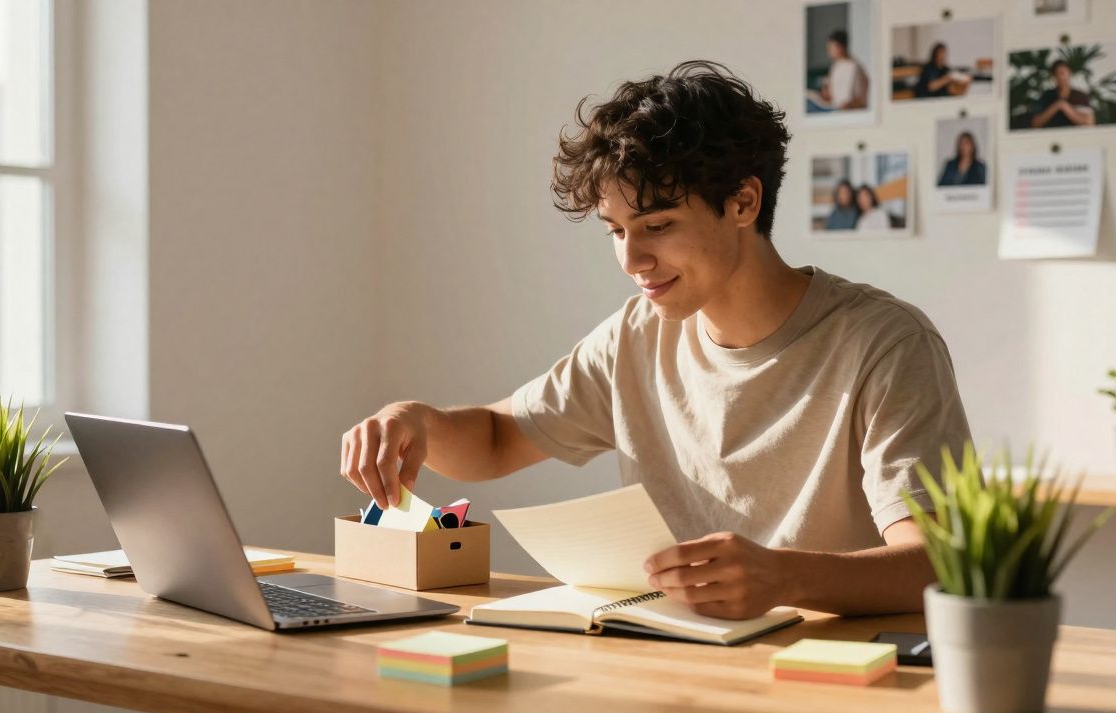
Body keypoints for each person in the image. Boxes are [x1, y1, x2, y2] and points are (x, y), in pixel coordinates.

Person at [341, 60, 971, 620]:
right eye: (615, 231)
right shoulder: (636, 336)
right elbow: (500, 439)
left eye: (658, 225)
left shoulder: (885, 343)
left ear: (744, 201)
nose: (632, 259)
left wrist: (785, 577)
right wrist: (415, 420)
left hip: (833, 681)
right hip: (672, 671)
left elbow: (936, 565)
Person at [811, 30, 869, 112]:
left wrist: (846, 106)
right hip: (836, 113)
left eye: (831, 48)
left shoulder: (855, 68)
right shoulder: (835, 67)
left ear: (840, 47)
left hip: (851, 115)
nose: (829, 52)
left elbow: (861, 100)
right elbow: (830, 97)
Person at [1030, 59, 1095, 128]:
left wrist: (1065, 107)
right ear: (1053, 77)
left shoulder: (1080, 96)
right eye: (1057, 74)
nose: (1061, 77)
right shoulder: (1046, 96)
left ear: (1070, 73)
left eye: (1063, 73)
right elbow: (1035, 123)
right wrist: (1056, 106)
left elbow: (1089, 123)